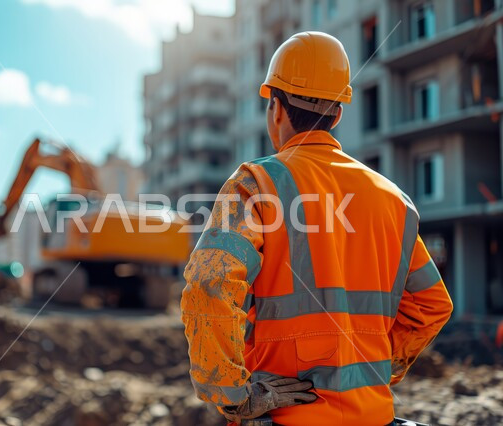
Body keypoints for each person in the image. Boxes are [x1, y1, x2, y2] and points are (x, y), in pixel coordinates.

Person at [180, 31, 453, 425]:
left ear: (275, 106)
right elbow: (432, 306)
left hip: (287, 417)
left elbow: (209, 284)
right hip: (373, 416)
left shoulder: (257, 183)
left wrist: (233, 395)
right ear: (338, 113)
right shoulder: (394, 200)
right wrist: (368, 369)